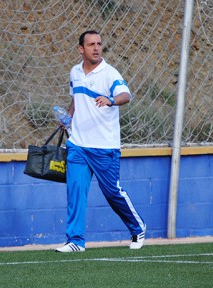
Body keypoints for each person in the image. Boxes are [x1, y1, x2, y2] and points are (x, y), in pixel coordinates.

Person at [55, 30, 146, 253]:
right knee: (75, 191)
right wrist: (68, 118)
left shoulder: (110, 74)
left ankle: (138, 227)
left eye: (99, 44)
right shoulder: (75, 72)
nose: (96, 48)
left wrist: (111, 99)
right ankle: (75, 241)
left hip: (105, 147)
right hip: (77, 144)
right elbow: (76, 98)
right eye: (91, 44)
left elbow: (126, 95)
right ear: (81, 49)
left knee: (112, 192)